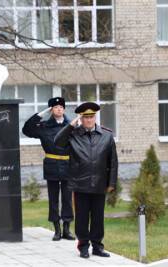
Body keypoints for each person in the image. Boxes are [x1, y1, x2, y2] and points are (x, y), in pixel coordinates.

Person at [54, 102, 118, 259]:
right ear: (80, 118)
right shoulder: (73, 134)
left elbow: (113, 162)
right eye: (85, 117)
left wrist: (111, 183)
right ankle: (83, 246)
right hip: (80, 183)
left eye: (91, 117)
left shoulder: (107, 135)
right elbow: (57, 142)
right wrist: (70, 126)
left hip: (99, 183)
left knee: (98, 217)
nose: (89, 120)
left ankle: (97, 246)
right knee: (82, 217)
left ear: (95, 117)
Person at [22, 97, 75, 241]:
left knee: (67, 199)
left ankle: (66, 230)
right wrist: (41, 114)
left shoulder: (71, 126)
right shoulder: (44, 126)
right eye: (55, 107)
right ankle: (57, 229)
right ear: (51, 109)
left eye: (61, 107)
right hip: (52, 165)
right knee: (53, 199)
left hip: (68, 166)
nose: (59, 109)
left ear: (64, 109)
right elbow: (26, 129)